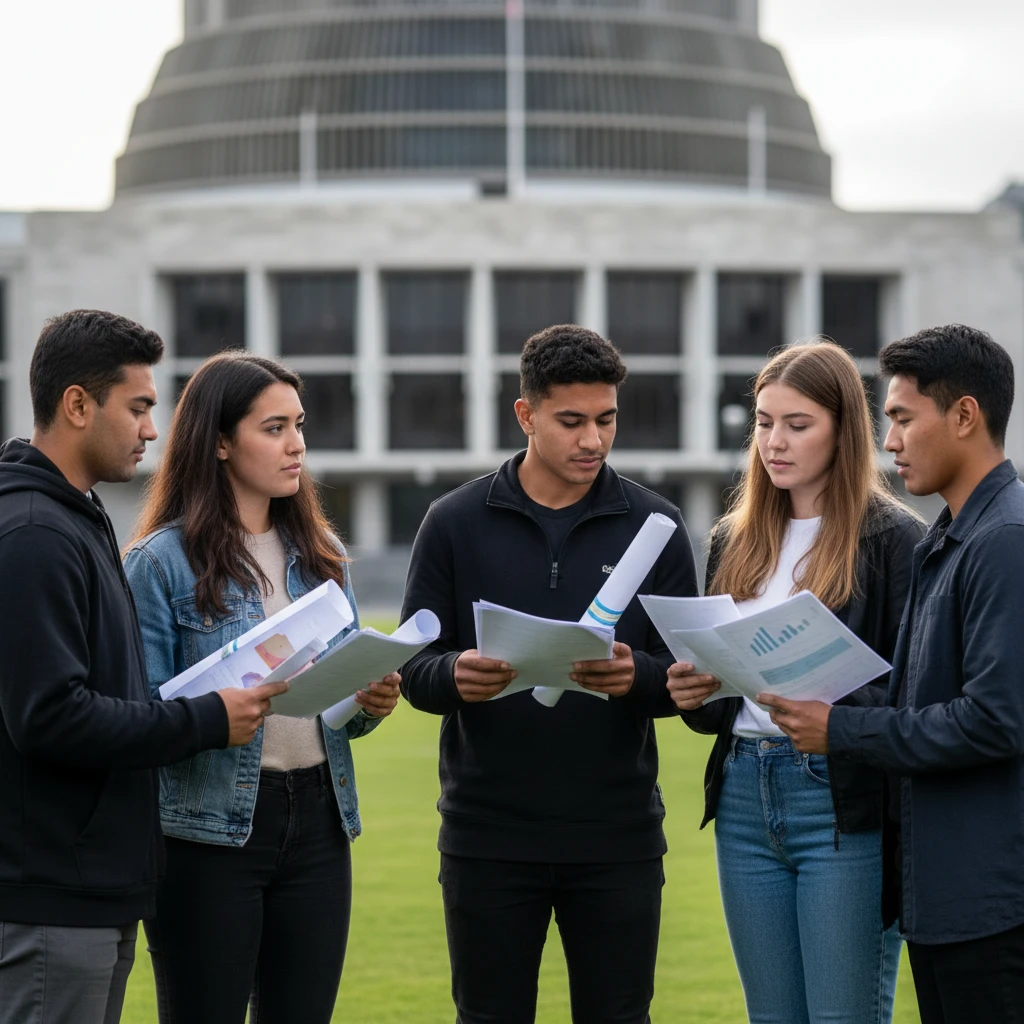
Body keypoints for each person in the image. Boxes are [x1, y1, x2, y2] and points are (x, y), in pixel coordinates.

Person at [399, 324, 697, 1024]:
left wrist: (638, 679)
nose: (592, 439)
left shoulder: (656, 524)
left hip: (618, 838)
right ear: (525, 414)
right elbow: (412, 665)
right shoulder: (453, 522)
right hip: (486, 838)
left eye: (606, 419)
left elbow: (688, 678)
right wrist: (453, 677)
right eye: (572, 421)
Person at [0, 311, 285, 1024]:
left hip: (91, 887)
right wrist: (205, 718)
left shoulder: (76, 517)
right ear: (76, 404)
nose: (152, 430)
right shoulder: (36, 534)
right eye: (138, 408)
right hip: (50, 897)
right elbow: (50, 716)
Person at [123, 351, 400, 1024]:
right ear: (220, 441)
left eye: (299, 425)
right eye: (273, 427)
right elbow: (140, 714)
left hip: (318, 821)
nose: (296, 443)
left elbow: (339, 713)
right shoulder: (158, 563)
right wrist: (219, 714)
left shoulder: (321, 553)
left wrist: (369, 702)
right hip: (205, 834)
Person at [759, 325, 1024, 1024]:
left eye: (904, 418)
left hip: (990, 902)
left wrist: (841, 729)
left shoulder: (1005, 541)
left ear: (965, 415)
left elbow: (997, 718)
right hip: (942, 897)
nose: (892, 442)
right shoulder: (950, 537)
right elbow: (918, 697)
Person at [668, 340, 923, 1024]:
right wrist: (697, 693)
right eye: (763, 422)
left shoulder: (894, 540)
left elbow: (916, 694)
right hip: (745, 798)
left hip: (842, 802)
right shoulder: (734, 537)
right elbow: (724, 700)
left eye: (797, 424)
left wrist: (831, 710)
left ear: (843, 428)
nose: (773, 442)